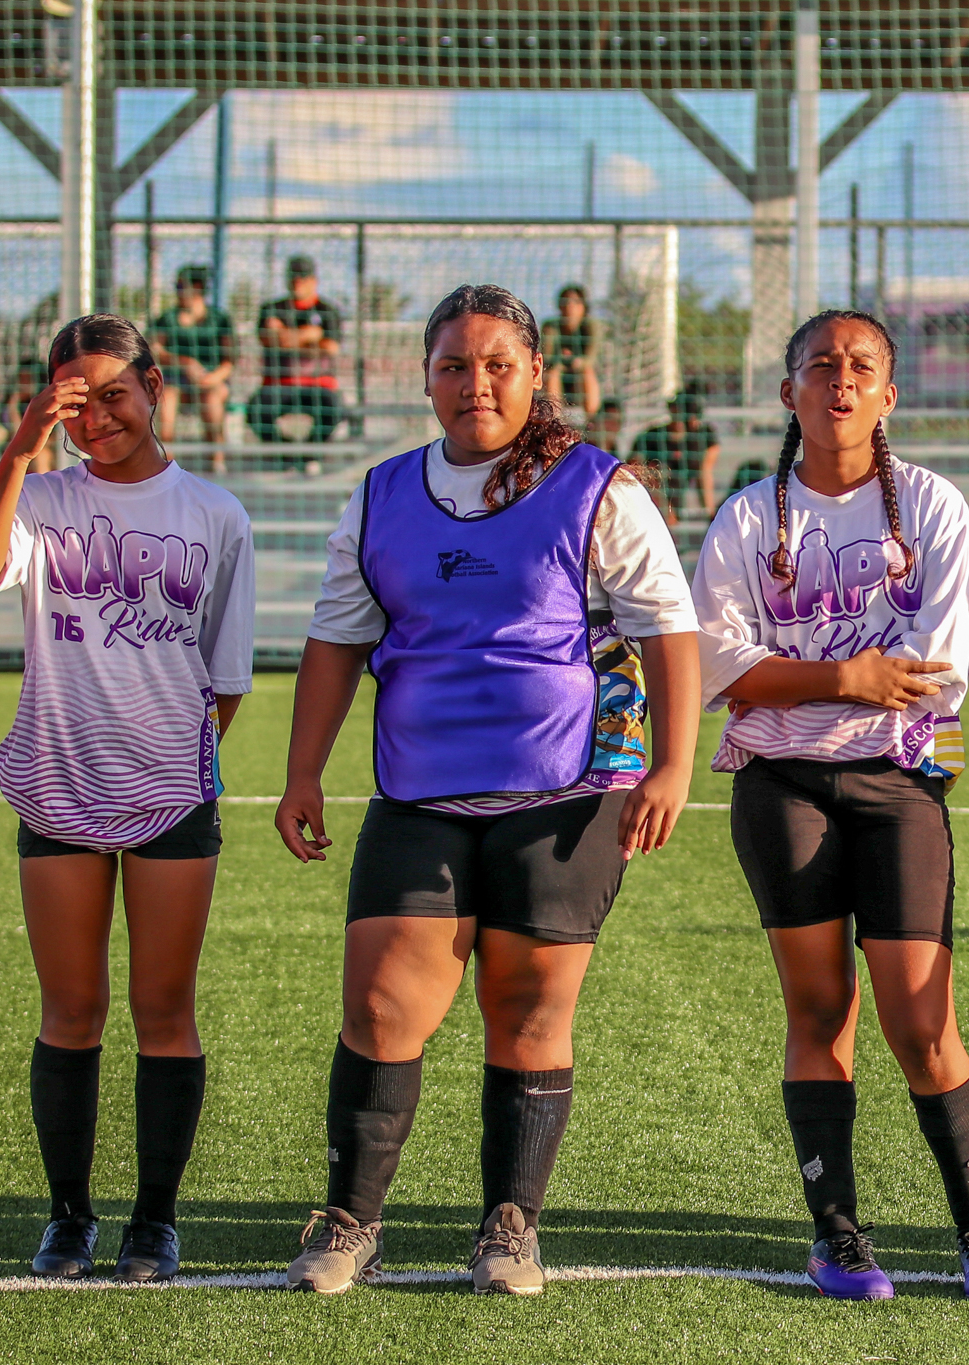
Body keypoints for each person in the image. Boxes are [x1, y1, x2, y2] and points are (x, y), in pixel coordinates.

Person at [276, 284, 701, 1296]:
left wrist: (675, 767)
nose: (476, 384)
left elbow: (667, 630)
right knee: (382, 1010)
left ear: (535, 373)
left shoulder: (598, 487)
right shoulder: (381, 492)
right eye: (454, 366)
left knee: (527, 1015)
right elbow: (338, 638)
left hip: (566, 796)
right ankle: (349, 1224)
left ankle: (509, 1226)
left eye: (497, 363)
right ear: (423, 377)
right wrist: (303, 771)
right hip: (421, 792)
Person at [692, 309, 969, 1302]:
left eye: (861, 366)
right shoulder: (748, 518)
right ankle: (837, 1235)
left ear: (888, 395)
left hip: (894, 787)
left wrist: (799, 674)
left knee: (923, 1022)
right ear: (789, 393)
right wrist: (845, 676)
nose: (839, 380)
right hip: (780, 786)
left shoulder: (925, 504)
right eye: (819, 366)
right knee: (819, 1010)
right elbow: (717, 664)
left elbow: (937, 671)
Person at [0, 315, 254, 1283]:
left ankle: (155, 1220)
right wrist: (20, 447)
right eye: (74, 402)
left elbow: (227, 679)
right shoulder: (40, 498)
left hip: (169, 791)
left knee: (164, 1008)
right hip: (55, 782)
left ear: (155, 389)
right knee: (69, 1008)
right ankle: (69, 1217)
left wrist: (154, 753)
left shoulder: (214, 514)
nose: (97, 418)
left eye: (114, 394)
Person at [249, 254, 344, 452]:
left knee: (332, 409)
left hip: (318, 383)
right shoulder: (272, 308)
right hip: (278, 382)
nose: (297, 283)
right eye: (294, 278)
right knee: (257, 411)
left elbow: (331, 348)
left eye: (303, 278)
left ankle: (310, 454)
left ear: (314, 280)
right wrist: (309, 335)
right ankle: (283, 454)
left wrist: (284, 336)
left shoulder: (327, 310)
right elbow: (267, 339)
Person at [150, 264, 237, 458]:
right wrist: (184, 362)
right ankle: (167, 462)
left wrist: (213, 378)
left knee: (212, 398)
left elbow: (229, 360)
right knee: (166, 398)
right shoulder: (167, 318)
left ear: (198, 288)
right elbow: (156, 349)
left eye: (183, 286)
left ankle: (216, 460)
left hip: (210, 380)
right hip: (176, 380)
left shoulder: (219, 319)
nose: (178, 292)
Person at [630, 386, 721, 521]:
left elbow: (705, 473)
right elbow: (634, 473)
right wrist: (665, 508)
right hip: (653, 498)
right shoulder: (651, 437)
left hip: (677, 497)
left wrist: (711, 516)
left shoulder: (703, 436)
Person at [541, 284, 603, 418]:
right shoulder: (551, 327)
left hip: (581, 379)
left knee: (587, 371)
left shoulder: (591, 327)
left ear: (583, 306)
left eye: (575, 302)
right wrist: (562, 359)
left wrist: (576, 361)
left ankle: (592, 420)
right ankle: (554, 419)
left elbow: (591, 357)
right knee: (552, 373)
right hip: (559, 376)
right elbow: (547, 356)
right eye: (565, 302)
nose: (570, 306)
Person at [0, 359, 52, 471]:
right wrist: (13, 406)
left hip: (38, 447)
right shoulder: (13, 401)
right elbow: (11, 430)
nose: (23, 383)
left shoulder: (44, 404)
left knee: (42, 456)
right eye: (21, 379)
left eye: (27, 379)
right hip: (12, 441)